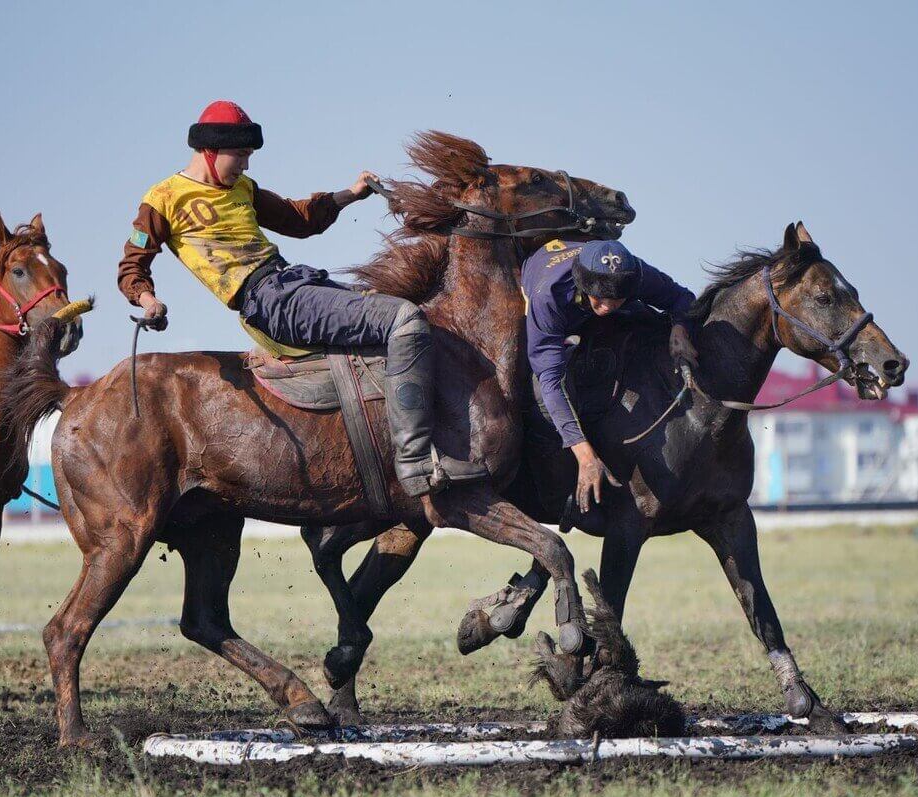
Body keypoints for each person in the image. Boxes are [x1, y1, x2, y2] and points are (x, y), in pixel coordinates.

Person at [118, 100, 488, 497]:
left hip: (295, 281)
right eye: (240, 156)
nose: (245, 166)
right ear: (210, 151)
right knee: (404, 319)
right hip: (268, 302)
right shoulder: (163, 198)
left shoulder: (243, 188)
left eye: (248, 156)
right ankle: (415, 462)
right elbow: (132, 265)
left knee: (404, 317)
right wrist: (147, 300)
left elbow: (299, 219)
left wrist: (350, 194)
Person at [522, 238, 698, 511]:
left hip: (591, 305)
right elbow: (550, 380)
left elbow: (681, 297)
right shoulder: (549, 295)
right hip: (553, 317)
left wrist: (680, 328)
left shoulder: (635, 274)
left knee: (652, 323)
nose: (607, 306)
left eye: (616, 299)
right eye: (600, 298)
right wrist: (584, 455)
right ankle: (556, 495)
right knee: (542, 400)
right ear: (583, 284)